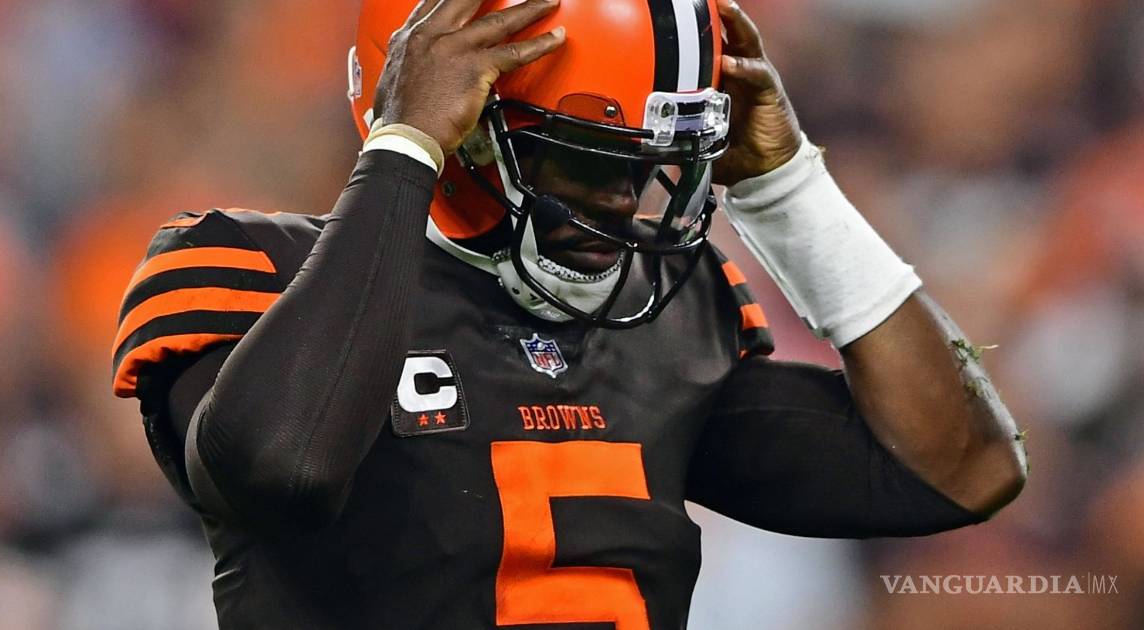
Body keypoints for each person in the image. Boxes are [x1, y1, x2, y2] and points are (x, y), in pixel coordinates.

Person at [110, 0, 1028, 627]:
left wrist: (788, 188)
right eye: (588, 156)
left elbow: (964, 468)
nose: (627, 202)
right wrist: (402, 150)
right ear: (458, 118)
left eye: (647, 163)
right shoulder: (245, 267)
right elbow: (285, 469)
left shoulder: (667, 306)